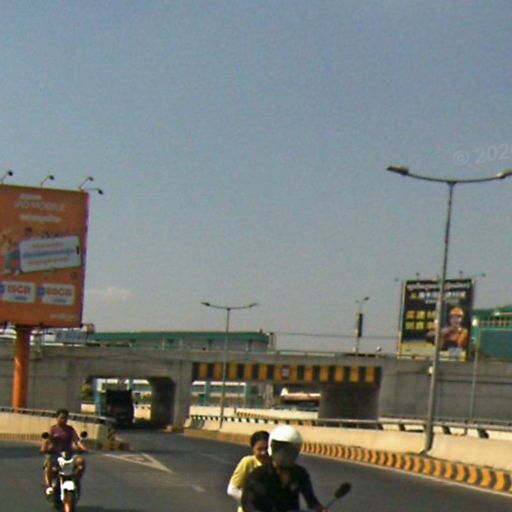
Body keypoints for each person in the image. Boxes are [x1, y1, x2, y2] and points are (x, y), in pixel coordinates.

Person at [241, 425, 328, 512]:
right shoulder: (259, 475)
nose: (286, 453)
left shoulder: (300, 473)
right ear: (273, 448)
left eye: (291, 449)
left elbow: (311, 500)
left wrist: (321, 509)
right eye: (281, 448)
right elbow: (248, 504)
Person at [40, 408, 88, 496]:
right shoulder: (52, 429)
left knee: (81, 462)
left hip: (68, 455)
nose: (64, 420)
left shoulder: (70, 430)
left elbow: (77, 441)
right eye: (62, 418)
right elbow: (46, 440)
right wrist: (44, 448)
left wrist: (84, 448)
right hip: (55, 455)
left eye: (66, 418)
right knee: (49, 464)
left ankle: (76, 481)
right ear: (57, 418)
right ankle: (49, 486)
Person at [227, 430, 270, 512]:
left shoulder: (275, 464)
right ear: (253, 448)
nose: (264, 453)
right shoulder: (248, 462)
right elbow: (232, 489)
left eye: (266, 448)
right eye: (259, 449)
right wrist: (253, 501)